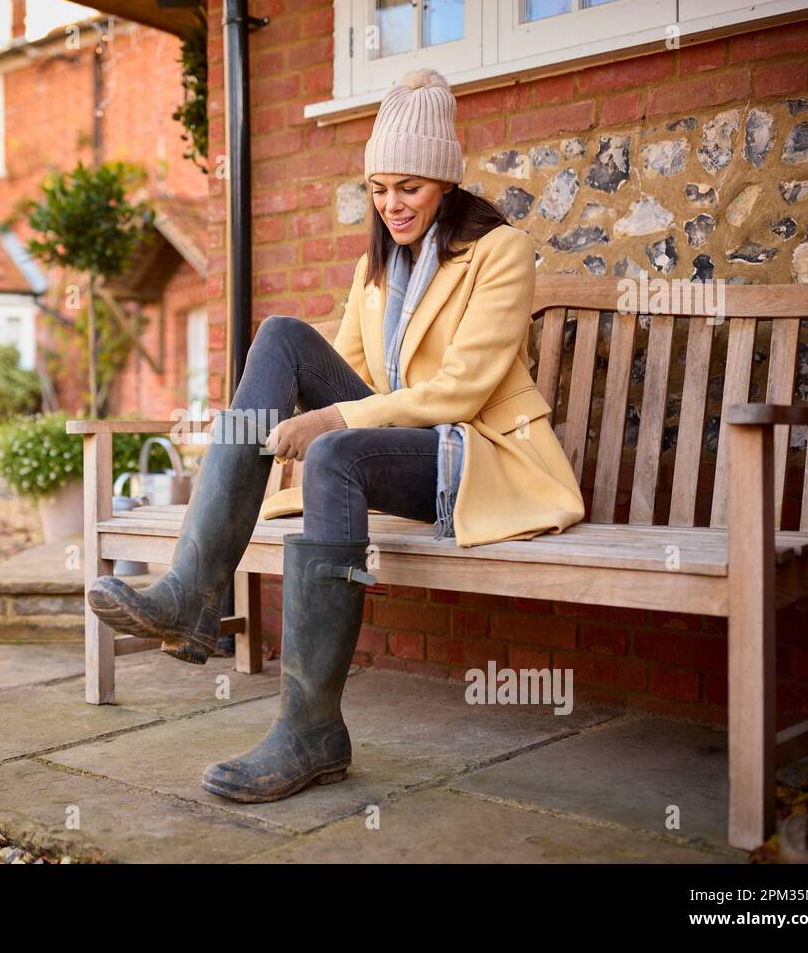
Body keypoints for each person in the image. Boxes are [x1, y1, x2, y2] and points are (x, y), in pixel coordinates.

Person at [86, 68, 586, 803]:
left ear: (445, 181)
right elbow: (345, 372)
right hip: (395, 448)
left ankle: (309, 728)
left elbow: (464, 390)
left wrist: (331, 421)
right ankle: (193, 592)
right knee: (284, 336)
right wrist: (316, 415)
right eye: (380, 188)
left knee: (338, 449)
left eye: (409, 187)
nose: (391, 205)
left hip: (471, 457)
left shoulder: (500, 252)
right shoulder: (373, 270)